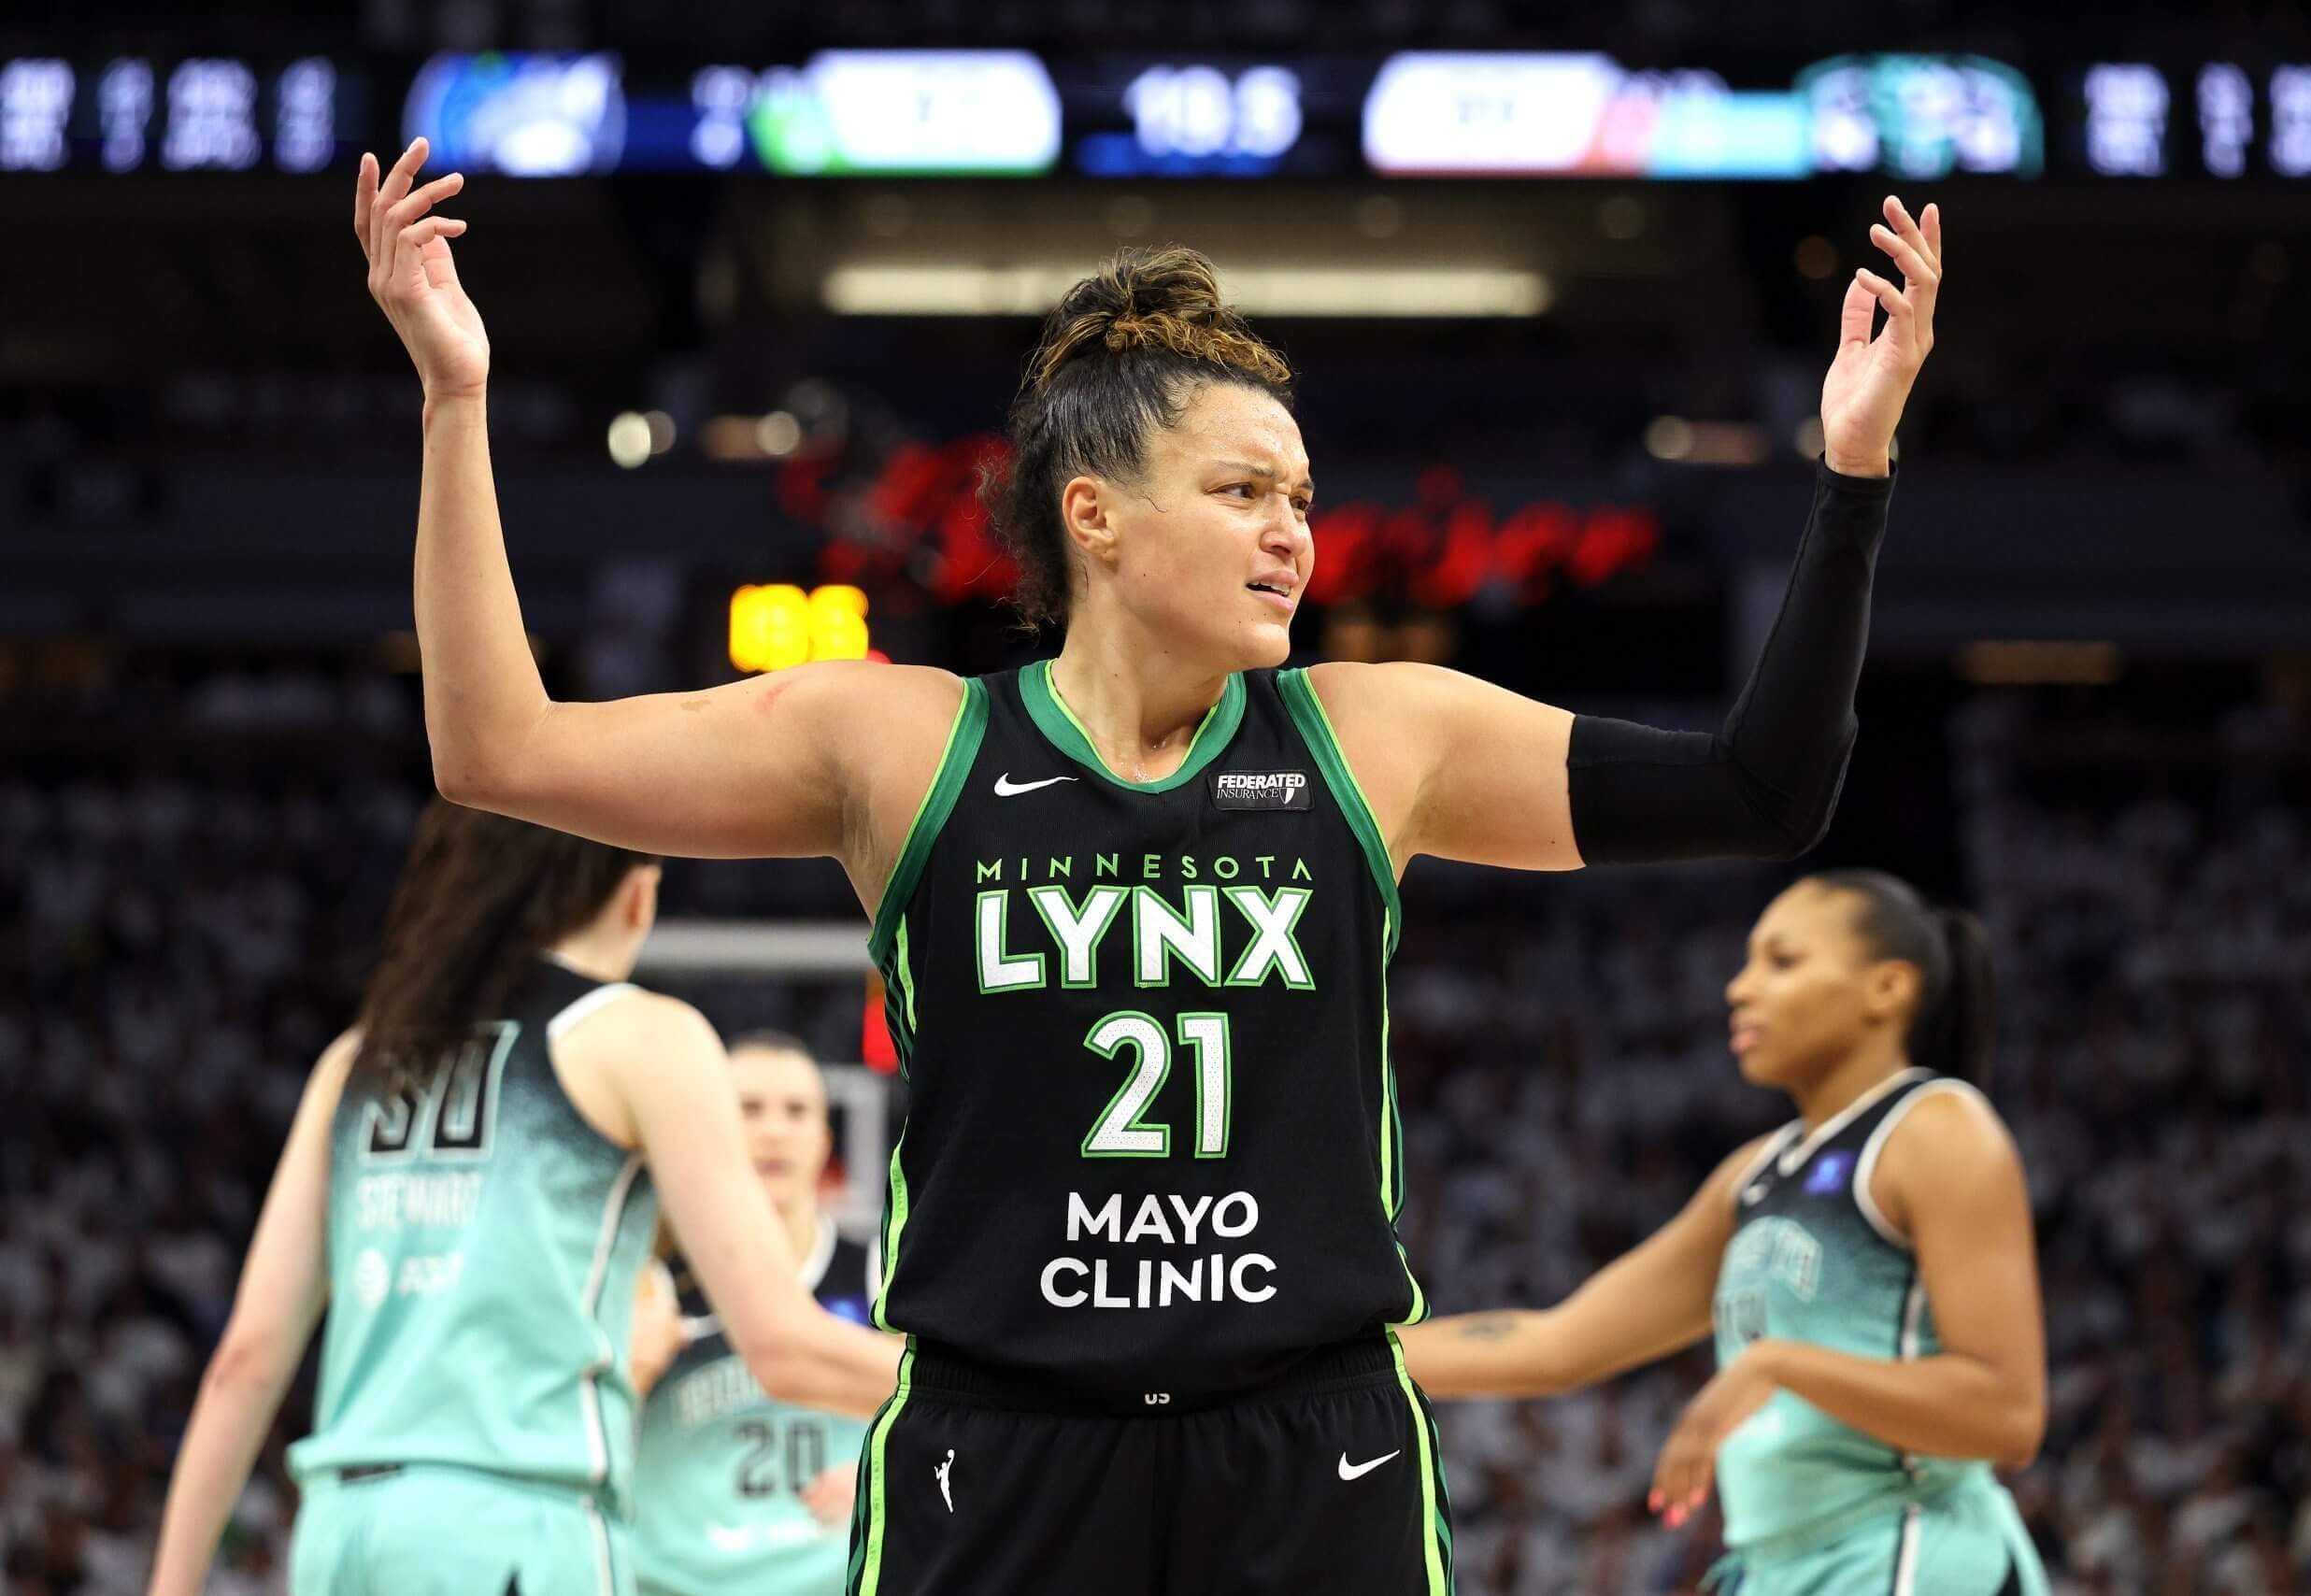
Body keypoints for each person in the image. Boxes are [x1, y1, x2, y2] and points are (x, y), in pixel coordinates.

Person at [354, 135, 1942, 1595]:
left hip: (1310, 1437)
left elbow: (1763, 782)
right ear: (1096, 516)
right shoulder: (903, 744)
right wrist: (451, 398)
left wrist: (1851, 474)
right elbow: (500, 750)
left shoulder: (1380, 737)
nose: (1294, 535)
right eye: (1245, 491)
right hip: (1005, 1440)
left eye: (1303, 498)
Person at [147, 802, 899, 1596]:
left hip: (343, 1533)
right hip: (520, 1525)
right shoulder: (639, 1037)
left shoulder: (357, 1058)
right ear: (637, 893)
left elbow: (247, 1359)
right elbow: (782, 1345)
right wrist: (995, 1392)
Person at [1399, 871, 2049, 1595]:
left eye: (1783, 961)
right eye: (1746, 963)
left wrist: (1776, 1367)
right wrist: (1328, 1360)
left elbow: (2007, 1413)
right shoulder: (1754, 1174)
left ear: (1886, 990)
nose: (1740, 988)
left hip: (1907, 1547)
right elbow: (1556, 1344)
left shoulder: (1935, 1129)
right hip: (1780, 1566)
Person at [628, 1032, 877, 1596]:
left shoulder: (884, 1278)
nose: (774, 1130)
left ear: (823, 1139)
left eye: (796, 1112)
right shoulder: (651, 1283)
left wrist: (892, 1470)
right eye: (749, 1109)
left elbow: (956, 1425)